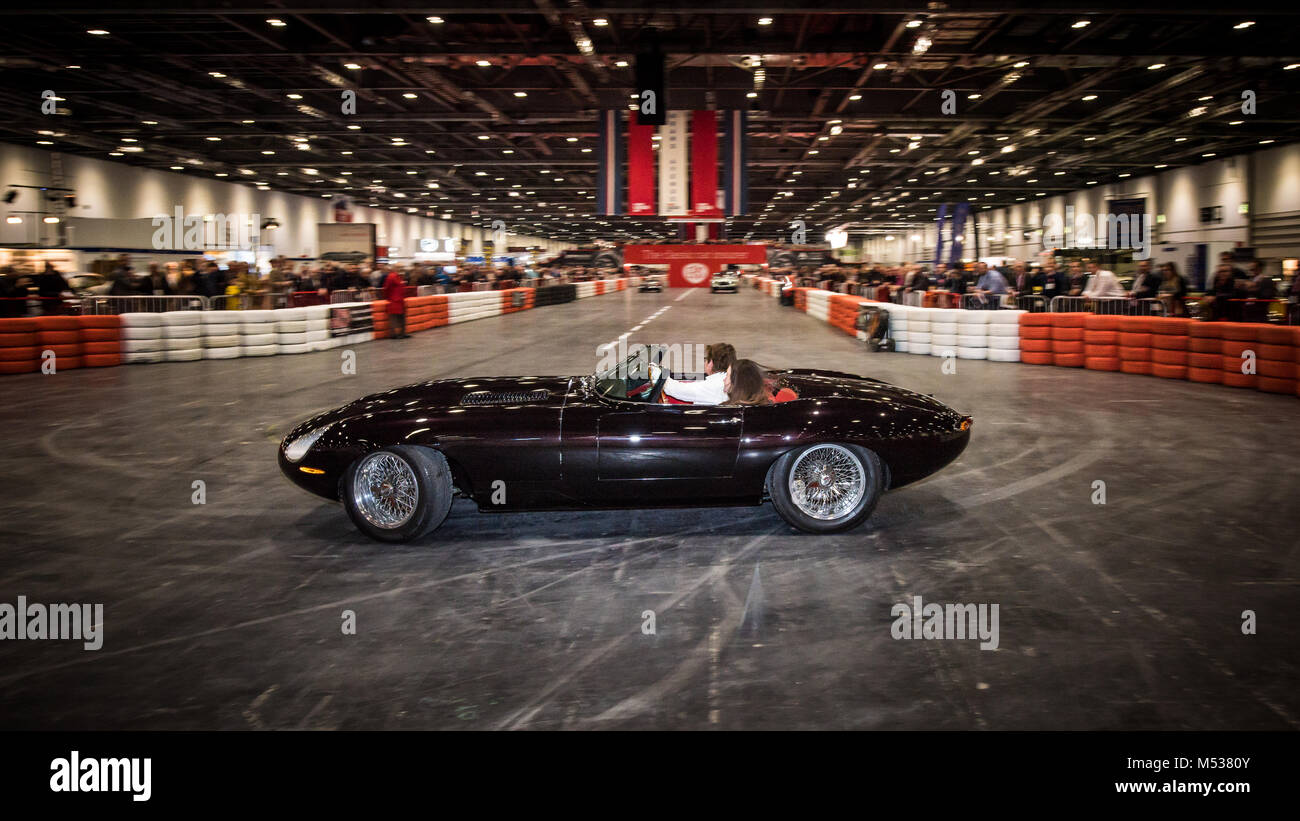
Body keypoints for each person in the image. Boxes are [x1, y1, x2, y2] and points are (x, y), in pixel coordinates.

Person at [650, 342, 736, 405]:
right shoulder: (726, 379)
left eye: (706, 359)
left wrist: (657, 372)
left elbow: (677, 390)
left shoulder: (713, 384)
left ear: (711, 363)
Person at [382, 266, 408, 338]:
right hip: (395, 300)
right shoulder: (392, 276)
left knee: (399, 317)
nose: (401, 269)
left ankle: (400, 333)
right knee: (395, 318)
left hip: (399, 300)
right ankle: (395, 334)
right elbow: (387, 288)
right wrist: (388, 298)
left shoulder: (397, 276)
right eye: (399, 268)